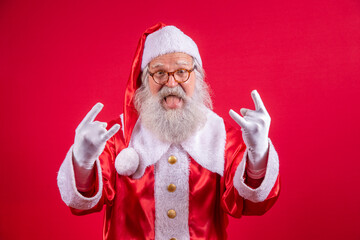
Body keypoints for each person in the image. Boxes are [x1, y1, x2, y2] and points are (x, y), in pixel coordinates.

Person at [57, 23, 280, 240]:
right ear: (144, 82)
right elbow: (84, 203)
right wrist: (83, 161)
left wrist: (258, 154)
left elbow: (252, 203)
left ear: (197, 77)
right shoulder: (118, 138)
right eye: (160, 73)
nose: (171, 83)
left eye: (182, 71)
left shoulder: (222, 137)